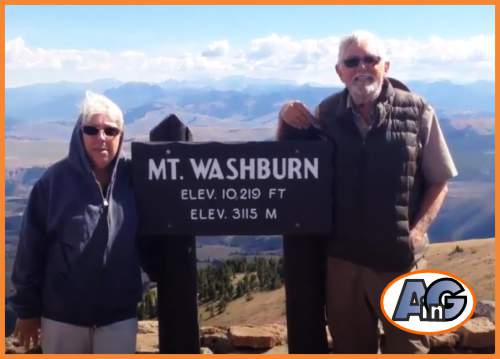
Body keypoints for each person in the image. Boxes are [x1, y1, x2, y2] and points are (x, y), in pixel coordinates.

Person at [277, 31, 457, 353]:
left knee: (410, 348)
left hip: (402, 261)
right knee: (351, 348)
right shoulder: (327, 112)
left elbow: (439, 179)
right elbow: (293, 164)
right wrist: (285, 116)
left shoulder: (417, 110)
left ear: (385, 65)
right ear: (339, 71)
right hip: (343, 263)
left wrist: (417, 232)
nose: (362, 67)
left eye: (370, 59)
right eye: (351, 61)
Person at [11, 91, 142, 354]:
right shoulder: (53, 183)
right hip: (62, 319)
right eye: (91, 129)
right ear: (79, 134)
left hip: (119, 318)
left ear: (121, 136)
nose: (101, 137)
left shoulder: (134, 180)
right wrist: (27, 311)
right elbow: (30, 250)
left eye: (110, 130)